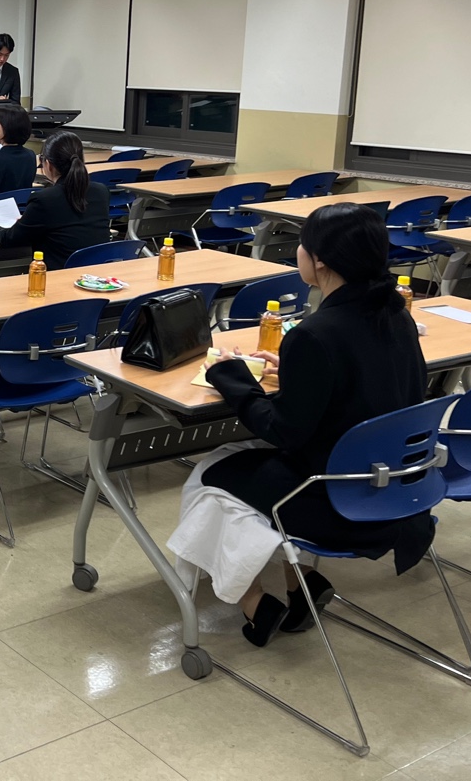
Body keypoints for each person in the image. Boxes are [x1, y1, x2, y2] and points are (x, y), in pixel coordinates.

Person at [168, 203, 429, 648]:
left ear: (320, 260)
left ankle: (254, 600)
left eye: (302, 246)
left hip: (335, 498)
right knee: (235, 468)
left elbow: (283, 431)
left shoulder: (315, 333)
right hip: (392, 485)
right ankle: (301, 581)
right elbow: (362, 382)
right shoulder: (395, 313)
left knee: (210, 478)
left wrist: (231, 378)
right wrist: (295, 369)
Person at [0, 131, 108, 268]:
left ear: (48, 164)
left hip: (59, 275)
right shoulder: (101, 191)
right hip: (97, 272)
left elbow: (10, 239)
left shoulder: (44, 199)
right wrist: (28, 222)